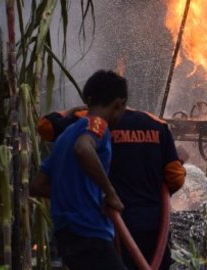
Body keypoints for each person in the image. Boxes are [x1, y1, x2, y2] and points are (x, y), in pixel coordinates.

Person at [37, 99, 186, 269]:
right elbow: (175, 178)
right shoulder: (156, 124)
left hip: (104, 227)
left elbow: (45, 127)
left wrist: (73, 110)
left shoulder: (86, 121)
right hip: (153, 226)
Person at [30, 70, 128, 270]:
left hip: (67, 235)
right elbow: (83, 148)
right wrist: (110, 193)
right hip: (89, 230)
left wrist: (77, 190)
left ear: (89, 100)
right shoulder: (98, 124)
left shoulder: (66, 135)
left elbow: (37, 185)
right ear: (118, 104)